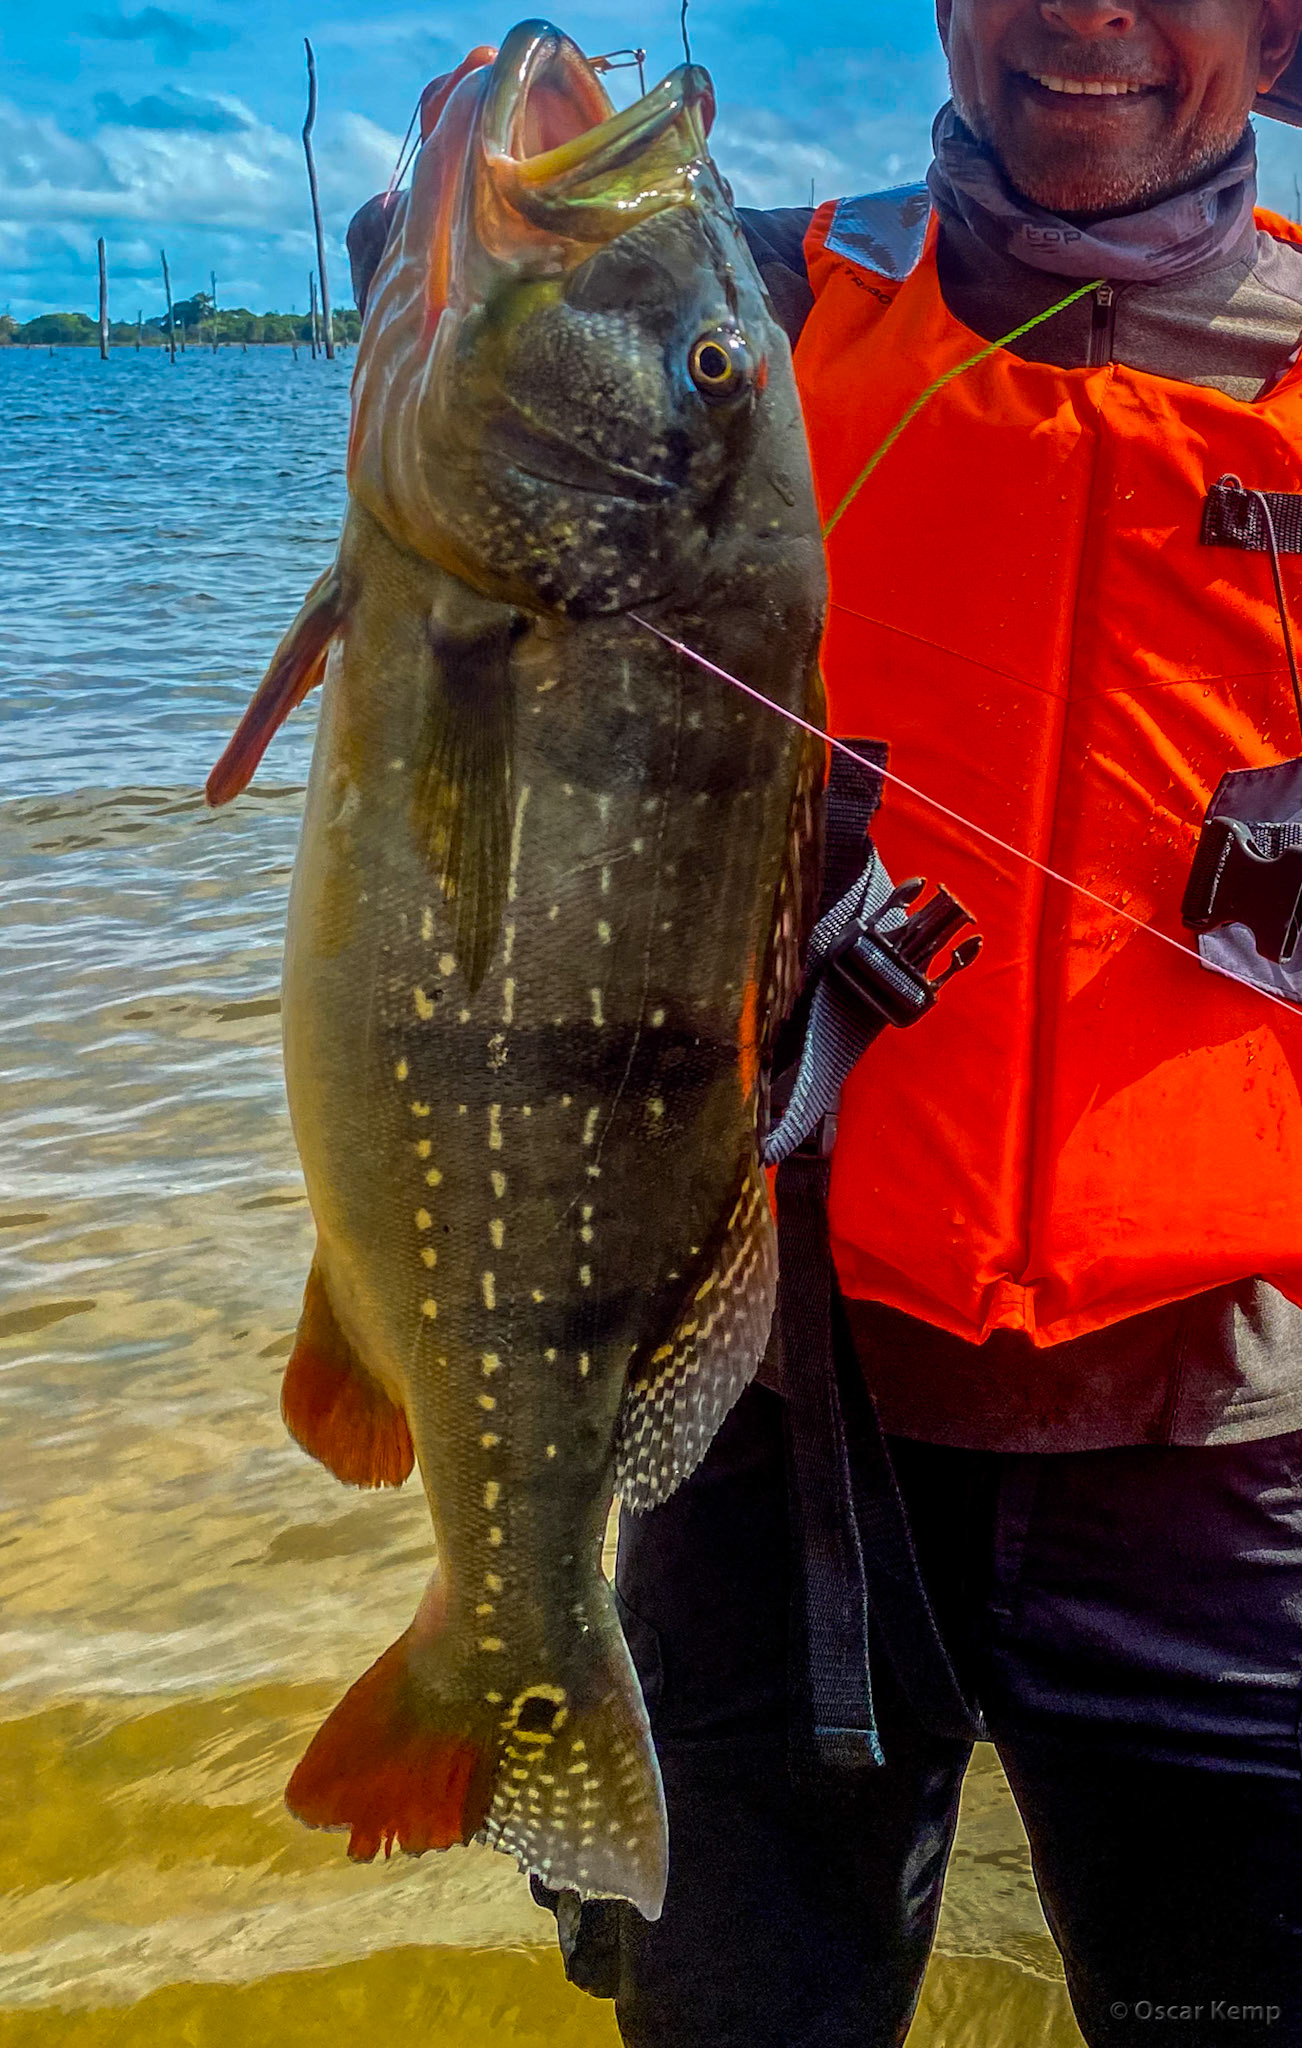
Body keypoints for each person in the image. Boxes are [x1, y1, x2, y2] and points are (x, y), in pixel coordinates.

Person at [349, 6, 1302, 2043]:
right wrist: (453, 193)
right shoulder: (761, 302)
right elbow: (470, 314)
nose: (1087, 14)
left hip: (1221, 1455)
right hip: (779, 1405)